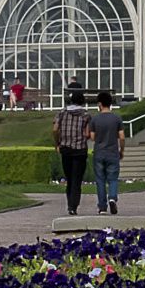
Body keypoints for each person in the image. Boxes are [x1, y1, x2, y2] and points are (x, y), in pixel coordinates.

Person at [54, 87, 92, 216]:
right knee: (77, 179)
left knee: (69, 178)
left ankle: (69, 202)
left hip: (66, 149)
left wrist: (57, 142)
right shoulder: (86, 115)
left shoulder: (62, 113)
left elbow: (55, 129)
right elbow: (87, 134)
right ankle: (73, 206)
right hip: (80, 150)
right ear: (82, 101)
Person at [90, 90, 125, 215]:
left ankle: (102, 207)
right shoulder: (116, 118)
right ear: (110, 103)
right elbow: (121, 137)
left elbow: (92, 137)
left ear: (99, 104)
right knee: (113, 178)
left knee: (100, 180)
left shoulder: (95, 119)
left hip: (99, 152)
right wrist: (122, 150)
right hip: (112, 152)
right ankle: (112, 197)